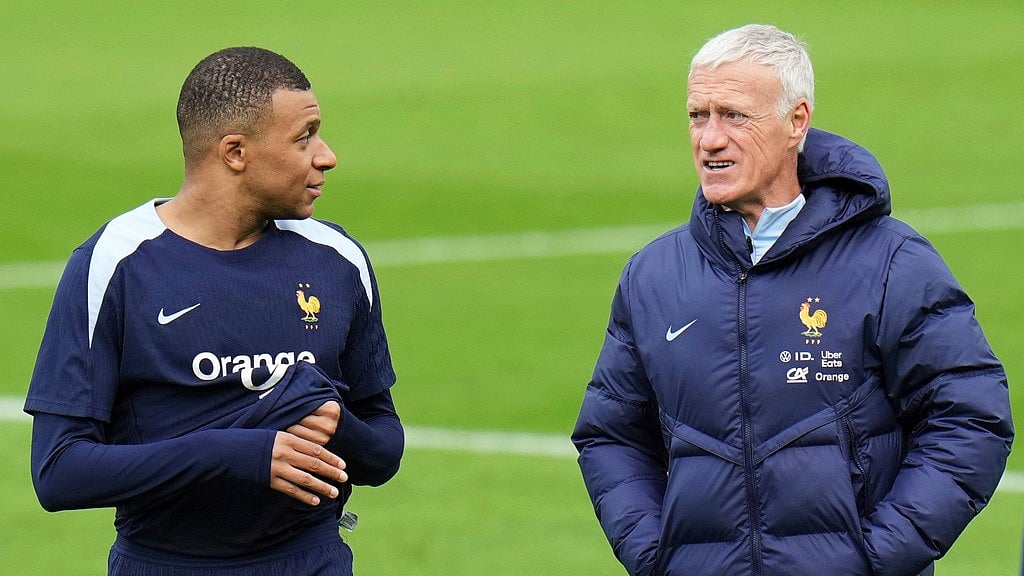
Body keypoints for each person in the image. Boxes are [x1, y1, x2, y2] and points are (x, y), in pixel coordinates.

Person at [571, 24, 1013, 576]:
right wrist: (656, 557)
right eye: (697, 115)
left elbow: (972, 417)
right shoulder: (654, 276)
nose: (709, 138)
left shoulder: (892, 263)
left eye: (734, 115)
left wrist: (873, 560)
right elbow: (611, 433)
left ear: (795, 122)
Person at [25, 47, 403, 575]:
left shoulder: (337, 260)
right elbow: (59, 472)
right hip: (166, 564)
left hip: (311, 560)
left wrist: (339, 426)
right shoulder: (115, 265)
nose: (326, 156)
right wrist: (238, 455)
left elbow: (384, 449)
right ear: (234, 153)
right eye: (304, 137)